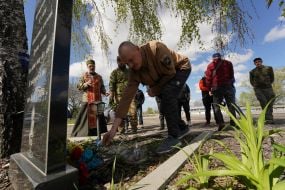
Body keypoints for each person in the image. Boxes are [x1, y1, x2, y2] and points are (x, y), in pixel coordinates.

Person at [103, 40, 192, 154]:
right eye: (127, 63)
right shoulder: (133, 72)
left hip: (179, 69)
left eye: (131, 60)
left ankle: (174, 137)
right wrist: (113, 130)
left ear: (137, 49)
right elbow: (126, 99)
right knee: (163, 105)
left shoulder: (156, 48)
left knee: (168, 95)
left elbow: (170, 73)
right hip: (162, 79)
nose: (130, 65)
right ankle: (182, 128)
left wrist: (155, 89)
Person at [71, 59, 109, 137]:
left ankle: (98, 132)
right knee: (85, 118)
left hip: (97, 100)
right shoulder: (84, 76)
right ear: (87, 67)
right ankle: (81, 133)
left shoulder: (99, 77)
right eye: (90, 66)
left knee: (98, 116)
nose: (92, 67)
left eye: (93, 66)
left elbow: (102, 87)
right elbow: (79, 87)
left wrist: (105, 93)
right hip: (87, 100)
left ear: (95, 66)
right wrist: (86, 84)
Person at [205, 53, 236, 131]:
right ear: (221, 57)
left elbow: (208, 79)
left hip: (217, 88)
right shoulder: (228, 63)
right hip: (228, 87)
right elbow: (232, 75)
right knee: (231, 105)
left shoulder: (210, 65)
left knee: (216, 107)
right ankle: (234, 123)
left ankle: (221, 124)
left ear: (212, 58)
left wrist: (209, 89)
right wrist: (231, 84)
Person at [109, 56, 138, 134]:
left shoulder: (130, 71)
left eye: (122, 61)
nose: (121, 63)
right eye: (119, 61)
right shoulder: (114, 72)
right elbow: (111, 85)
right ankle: (121, 131)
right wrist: (111, 96)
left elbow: (134, 82)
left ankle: (134, 129)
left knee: (133, 112)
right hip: (119, 96)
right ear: (117, 62)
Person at [249, 57, 275, 124]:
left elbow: (272, 78)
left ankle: (270, 118)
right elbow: (251, 82)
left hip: (268, 88)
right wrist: (256, 87)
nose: (258, 63)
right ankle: (268, 119)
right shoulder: (252, 72)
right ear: (254, 64)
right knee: (263, 102)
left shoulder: (269, 68)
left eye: (259, 61)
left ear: (261, 62)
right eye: (256, 62)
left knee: (270, 103)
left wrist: (267, 84)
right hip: (258, 89)